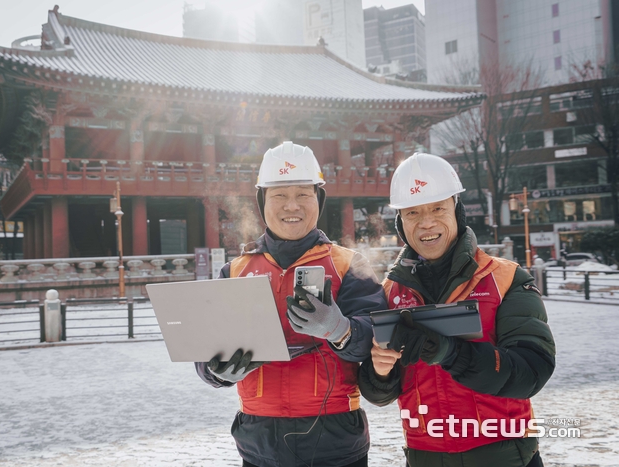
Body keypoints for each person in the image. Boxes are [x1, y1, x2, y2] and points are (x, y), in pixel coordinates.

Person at [195, 141, 387, 467]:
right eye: (279, 195)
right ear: (262, 202)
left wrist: (340, 329)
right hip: (259, 444)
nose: (291, 206)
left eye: (303, 194)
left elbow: (378, 339)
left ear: (319, 199)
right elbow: (205, 351)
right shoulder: (236, 270)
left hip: (336, 441)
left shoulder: (349, 265)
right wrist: (216, 370)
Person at [358, 152, 556, 467]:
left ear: (457, 209)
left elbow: (533, 371)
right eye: (412, 213)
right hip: (425, 457)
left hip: (504, 457)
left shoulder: (504, 279)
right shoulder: (389, 293)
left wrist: (451, 354)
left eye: (438, 208)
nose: (426, 222)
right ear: (401, 222)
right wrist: (381, 370)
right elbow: (379, 394)